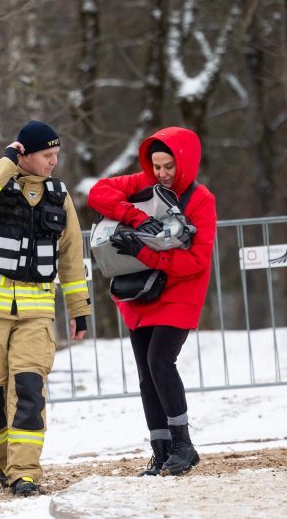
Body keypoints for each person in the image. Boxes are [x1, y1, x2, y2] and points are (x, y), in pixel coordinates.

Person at [0, 120, 91, 496]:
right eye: (46, 155)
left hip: (36, 315)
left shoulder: (59, 196)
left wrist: (79, 307)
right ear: (24, 154)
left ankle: (25, 473)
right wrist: (6, 163)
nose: (53, 162)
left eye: (56, 155)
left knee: (29, 393)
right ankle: (4, 463)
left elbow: (71, 256)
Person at [87, 126, 216, 477]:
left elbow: (196, 261)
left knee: (161, 360)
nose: (162, 174)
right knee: (146, 372)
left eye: (169, 166)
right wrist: (135, 218)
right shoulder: (144, 182)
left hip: (180, 289)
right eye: (156, 166)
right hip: (139, 290)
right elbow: (97, 193)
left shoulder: (201, 199)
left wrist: (143, 250)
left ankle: (183, 444)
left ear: (185, 162)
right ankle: (160, 451)